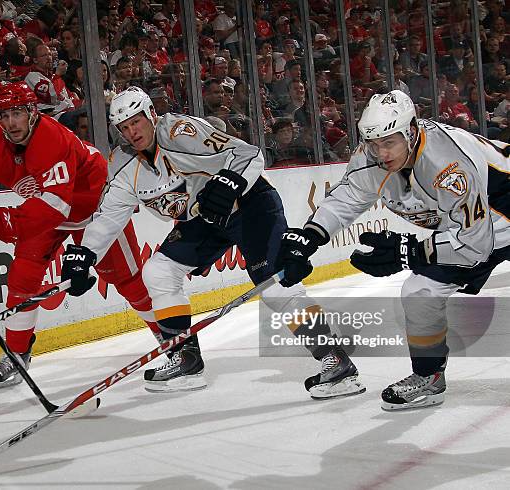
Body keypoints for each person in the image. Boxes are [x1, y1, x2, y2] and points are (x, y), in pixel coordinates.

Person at [60, 86, 365, 397]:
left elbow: (248, 154)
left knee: (274, 286)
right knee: (159, 271)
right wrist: (85, 253)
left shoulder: (180, 132)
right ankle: (186, 360)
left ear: (151, 114)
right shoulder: (125, 164)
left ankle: (336, 362)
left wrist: (230, 182)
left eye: (136, 122)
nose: (131, 131)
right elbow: (110, 215)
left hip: (249, 205)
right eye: (124, 128)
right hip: (204, 219)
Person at [0, 82, 160, 390]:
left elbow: (56, 206)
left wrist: (9, 223)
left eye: (17, 113)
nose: (11, 123)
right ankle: (17, 354)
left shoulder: (53, 140)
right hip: (48, 207)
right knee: (22, 277)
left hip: (94, 206)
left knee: (125, 279)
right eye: (3, 115)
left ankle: (170, 337)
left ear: (33, 112)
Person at [276, 90, 510, 411]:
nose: (381, 153)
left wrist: (409, 252)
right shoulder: (373, 155)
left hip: (493, 217)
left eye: (389, 143)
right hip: (475, 225)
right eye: (374, 144)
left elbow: (475, 243)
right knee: (420, 291)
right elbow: (347, 197)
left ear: (412, 131)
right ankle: (429, 378)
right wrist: (308, 238)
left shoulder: (446, 161)